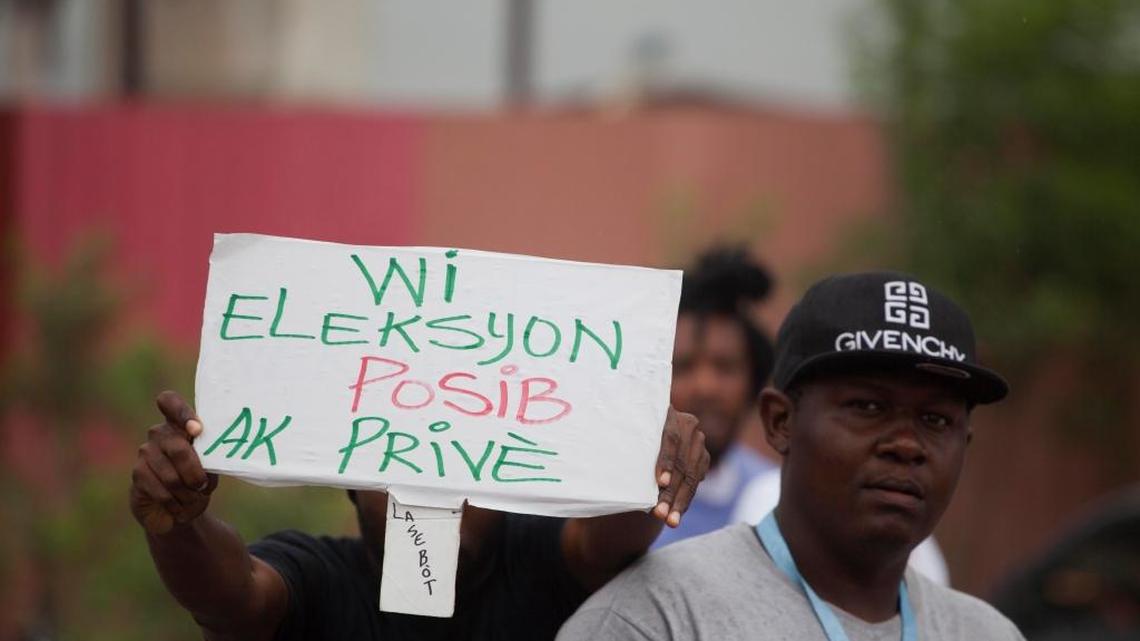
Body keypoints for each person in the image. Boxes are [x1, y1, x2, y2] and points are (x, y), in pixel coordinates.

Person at [558, 271, 1026, 640]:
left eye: (936, 420)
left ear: (965, 443)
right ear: (780, 421)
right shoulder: (657, 618)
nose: (906, 444)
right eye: (868, 407)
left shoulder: (988, 634)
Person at [130, 392, 707, 641]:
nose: (432, 487)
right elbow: (233, 594)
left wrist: (646, 470)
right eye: (398, 461)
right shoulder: (318, 580)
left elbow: (607, 539)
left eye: (461, 461)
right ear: (350, 486)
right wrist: (178, 521)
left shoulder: (540, 558)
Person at [654, 246, 777, 548]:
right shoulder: (620, 500)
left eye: (725, 367)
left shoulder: (779, 500)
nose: (706, 387)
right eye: (683, 366)